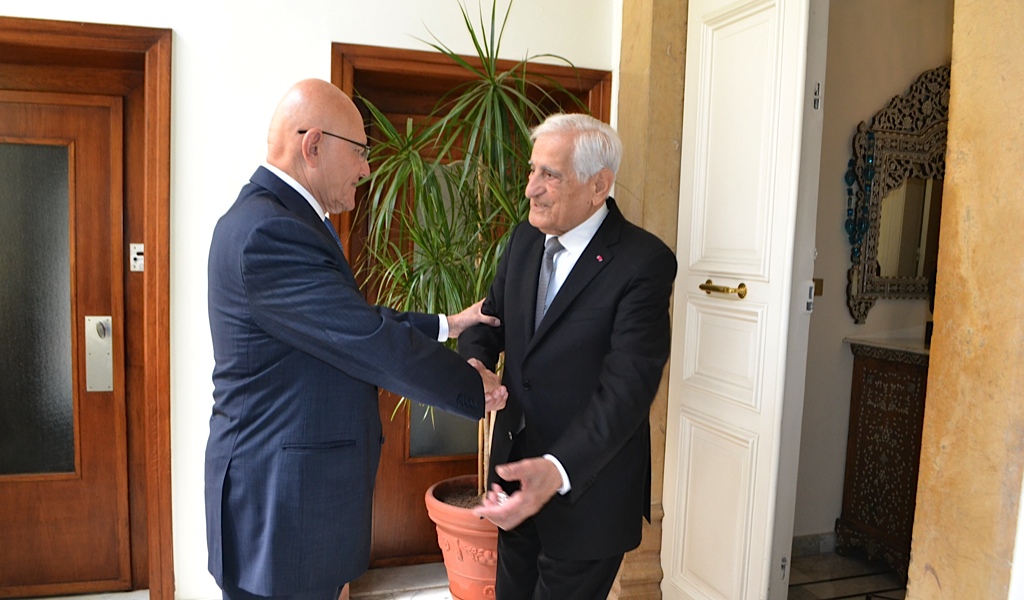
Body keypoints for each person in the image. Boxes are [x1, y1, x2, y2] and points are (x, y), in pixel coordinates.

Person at [205, 78, 507, 600]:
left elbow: (344, 321)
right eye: (361, 151)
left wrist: (447, 324)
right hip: (278, 505)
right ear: (313, 145)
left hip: (285, 497)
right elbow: (364, 338)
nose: (367, 170)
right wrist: (471, 386)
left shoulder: (276, 218)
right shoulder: (270, 232)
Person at [459, 113, 678, 599]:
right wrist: (475, 365)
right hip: (515, 476)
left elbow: (627, 390)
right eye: (532, 170)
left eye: (550, 175)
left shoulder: (644, 262)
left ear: (599, 185)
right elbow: (490, 320)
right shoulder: (524, 239)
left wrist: (557, 469)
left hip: (589, 491)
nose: (530, 189)